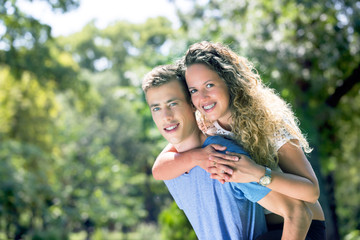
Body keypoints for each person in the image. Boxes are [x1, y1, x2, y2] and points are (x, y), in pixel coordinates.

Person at [152, 41, 326, 239]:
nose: (203, 97)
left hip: (302, 228)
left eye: (209, 85)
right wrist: (198, 157)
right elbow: (160, 169)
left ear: (229, 81)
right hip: (260, 231)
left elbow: (311, 192)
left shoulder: (269, 122)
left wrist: (257, 173)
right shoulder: (204, 124)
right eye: (194, 90)